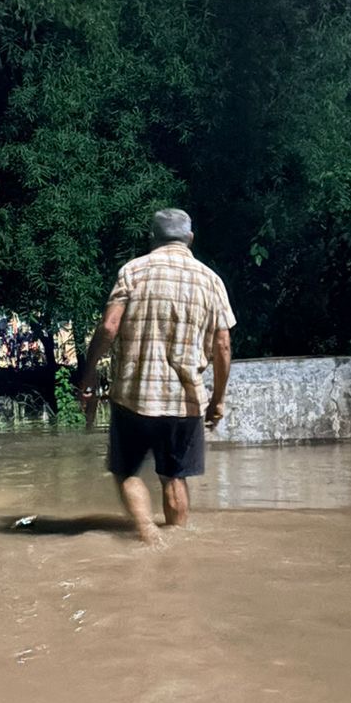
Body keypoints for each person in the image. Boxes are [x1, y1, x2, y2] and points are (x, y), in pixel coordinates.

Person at [77, 208, 234, 545]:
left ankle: (147, 532)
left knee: (126, 471)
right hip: (185, 398)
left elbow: (108, 327)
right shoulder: (211, 280)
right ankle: (177, 546)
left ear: (152, 237)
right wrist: (218, 399)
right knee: (174, 478)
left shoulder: (133, 271)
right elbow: (223, 344)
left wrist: (88, 377)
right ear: (190, 238)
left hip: (133, 395)